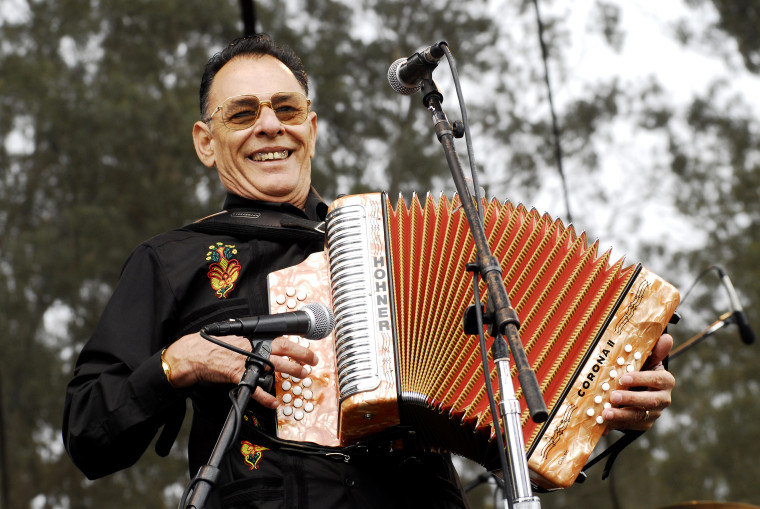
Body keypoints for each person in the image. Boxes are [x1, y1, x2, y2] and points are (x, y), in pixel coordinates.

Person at [62, 34, 676, 508]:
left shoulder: (401, 245)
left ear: (312, 127)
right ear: (206, 140)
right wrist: (181, 361)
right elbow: (89, 430)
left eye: (286, 108)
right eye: (243, 114)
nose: (270, 126)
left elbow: (526, 375)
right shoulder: (170, 259)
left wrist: (614, 395)